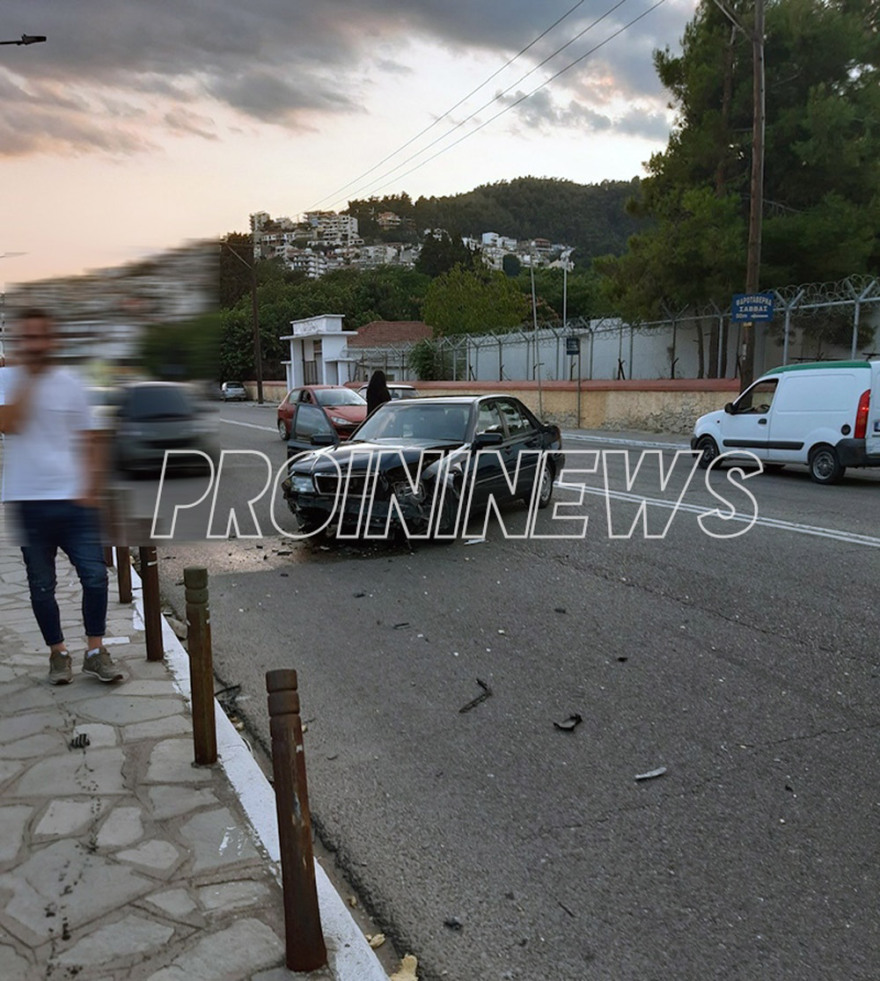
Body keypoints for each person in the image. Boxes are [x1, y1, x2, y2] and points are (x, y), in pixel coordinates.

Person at [0, 308, 124, 685]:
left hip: (75, 502)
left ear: (53, 341)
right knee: (41, 586)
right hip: (27, 501)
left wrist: (92, 488)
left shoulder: (73, 381)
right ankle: (58, 654)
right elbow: (9, 423)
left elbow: (92, 436)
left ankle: (94, 651)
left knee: (95, 578)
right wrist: (28, 378)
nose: (36, 345)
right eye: (29, 338)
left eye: (42, 337)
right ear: (21, 342)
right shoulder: (6, 379)